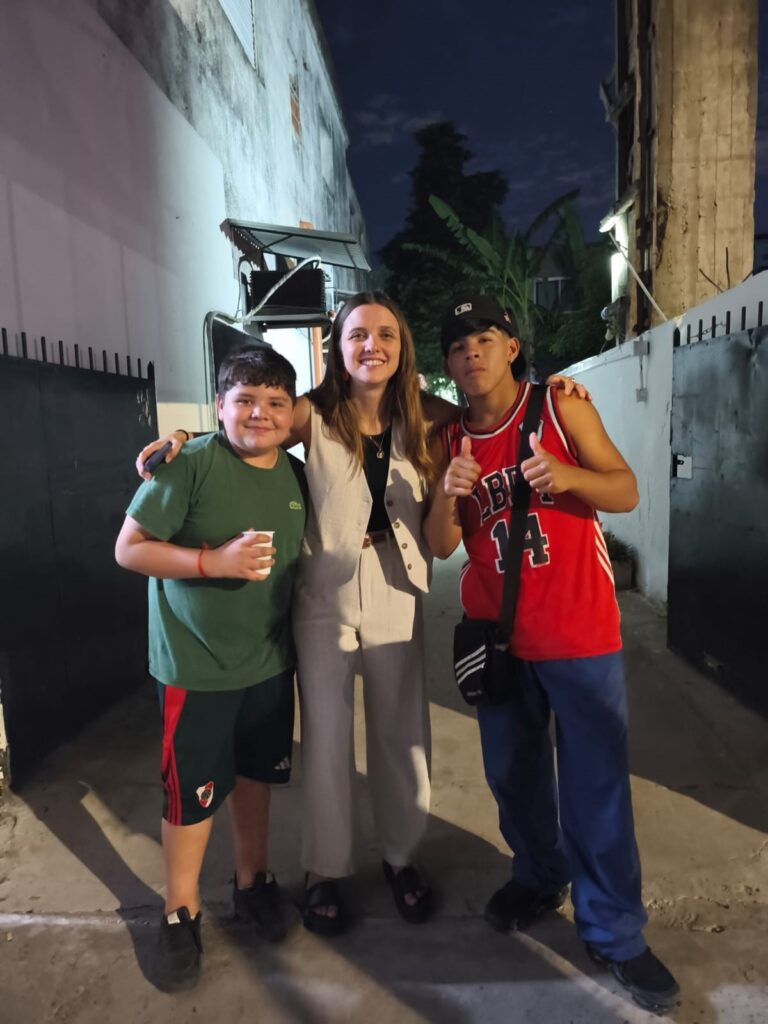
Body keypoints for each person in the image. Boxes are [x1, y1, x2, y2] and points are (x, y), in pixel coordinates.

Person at [136, 291, 588, 938]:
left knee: (401, 732)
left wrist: (552, 389)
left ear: (402, 348)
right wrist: (183, 438)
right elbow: (249, 425)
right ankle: (324, 869)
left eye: (385, 334)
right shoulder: (311, 413)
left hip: (397, 580)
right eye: (357, 334)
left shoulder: (427, 414)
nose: (371, 345)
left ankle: (401, 857)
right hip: (321, 588)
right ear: (337, 347)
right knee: (325, 737)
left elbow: (494, 408)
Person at [422, 293, 680, 1014]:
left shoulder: (560, 408)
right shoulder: (451, 441)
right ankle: (538, 875)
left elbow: (624, 490)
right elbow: (441, 544)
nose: (471, 352)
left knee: (596, 789)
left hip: (578, 634)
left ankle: (614, 932)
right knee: (513, 776)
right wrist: (447, 494)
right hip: (499, 639)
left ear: (511, 347)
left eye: (484, 338)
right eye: (457, 345)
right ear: (448, 365)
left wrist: (568, 478)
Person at [115, 346, 307, 988]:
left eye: (275, 402)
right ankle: (180, 909)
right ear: (219, 405)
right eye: (244, 400)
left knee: (256, 777)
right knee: (191, 794)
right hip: (195, 666)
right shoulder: (190, 463)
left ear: (292, 413)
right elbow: (129, 548)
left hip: (269, 661)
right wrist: (211, 563)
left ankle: (253, 882)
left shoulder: (296, 474)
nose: (260, 414)